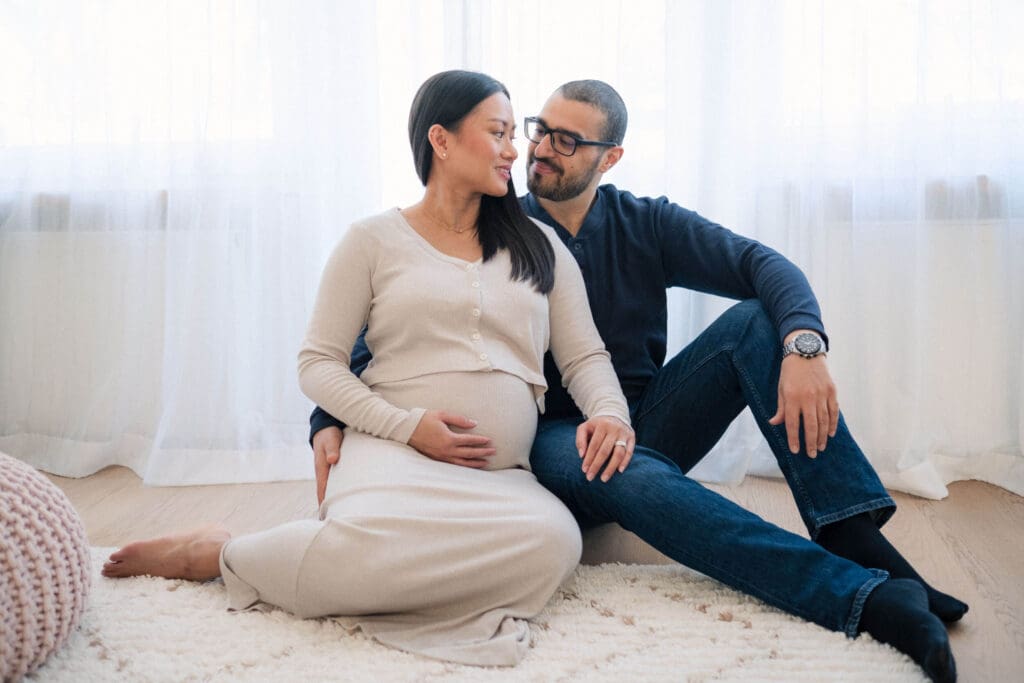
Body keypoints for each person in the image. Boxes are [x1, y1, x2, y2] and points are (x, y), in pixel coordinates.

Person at [309, 80, 960, 682]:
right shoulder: (501, 228)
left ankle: (849, 530)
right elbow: (376, 339)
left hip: (646, 416)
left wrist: (804, 345)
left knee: (759, 323)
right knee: (622, 466)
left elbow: (760, 262)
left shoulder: (646, 223)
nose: (541, 148)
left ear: (610, 157)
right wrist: (327, 420)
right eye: (540, 130)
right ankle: (865, 594)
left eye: (568, 140)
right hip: (551, 440)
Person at [101, 70, 637, 667]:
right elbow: (318, 363)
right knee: (351, 551)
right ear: (441, 140)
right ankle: (219, 554)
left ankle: (310, 564)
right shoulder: (372, 240)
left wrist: (611, 413)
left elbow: (585, 355)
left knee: (553, 542)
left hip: (498, 476)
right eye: (499, 132)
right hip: (393, 456)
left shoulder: (540, 244)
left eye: (515, 134)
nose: (517, 149)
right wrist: (409, 427)